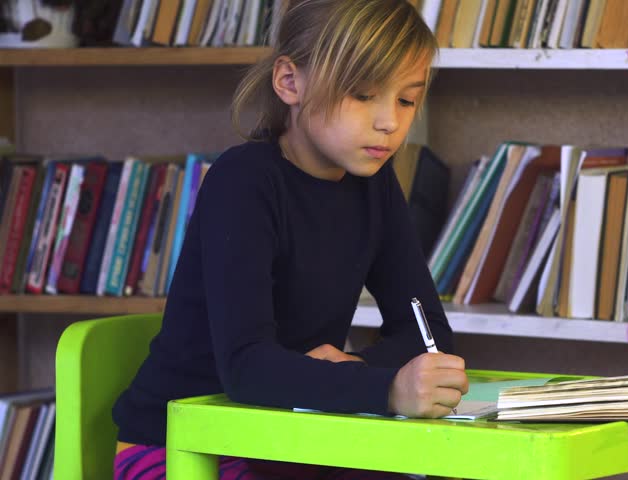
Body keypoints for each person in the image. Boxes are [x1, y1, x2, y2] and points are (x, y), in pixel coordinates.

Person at [112, 1, 468, 478]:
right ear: (289, 82)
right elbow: (247, 367)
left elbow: (426, 333)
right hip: (181, 443)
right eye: (363, 95)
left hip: (290, 433)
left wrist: (353, 366)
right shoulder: (243, 181)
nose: (390, 121)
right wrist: (383, 388)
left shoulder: (375, 185)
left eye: (405, 100)